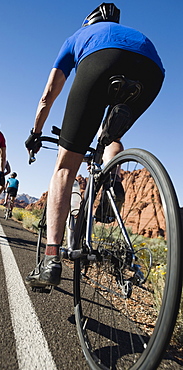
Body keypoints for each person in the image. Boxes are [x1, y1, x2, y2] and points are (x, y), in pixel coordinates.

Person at [25, 3, 164, 287]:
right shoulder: (130, 32)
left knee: (64, 167)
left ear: (89, 21)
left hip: (102, 61)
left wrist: (35, 133)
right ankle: (111, 175)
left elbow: (48, 96)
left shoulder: (79, 36)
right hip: (151, 69)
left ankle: (51, 259)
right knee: (110, 135)